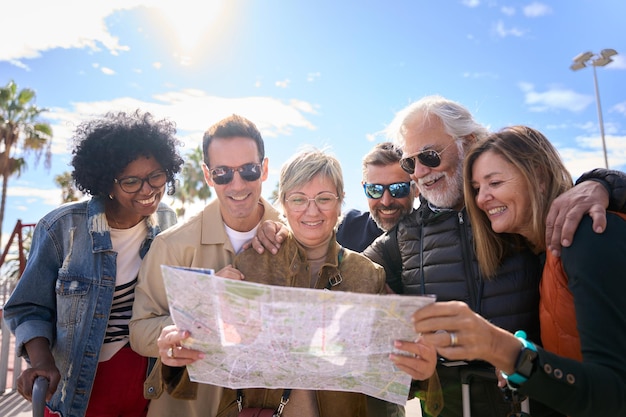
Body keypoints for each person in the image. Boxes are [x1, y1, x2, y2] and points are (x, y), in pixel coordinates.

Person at [154, 147, 434, 417]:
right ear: (284, 204)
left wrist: (420, 372)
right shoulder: (250, 264)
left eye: (324, 199)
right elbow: (206, 361)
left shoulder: (368, 274)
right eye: (299, 199)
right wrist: (179, 348)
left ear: (340, 204)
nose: (312, 212)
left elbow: (387, 375)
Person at [410, 126, 626, 417]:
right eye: (476, 189)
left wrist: (502, 348)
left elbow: (614, 394)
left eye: (495, 183)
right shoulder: (540, 252)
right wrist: (524, 359)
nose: (482, 198)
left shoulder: (586, 235)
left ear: (538, 177)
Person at [2, 110, 184, 417]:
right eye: (130, 181)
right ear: (106, 184)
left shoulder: (167, 222)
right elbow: (28, 308)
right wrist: (42, 363)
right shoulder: (61, 228)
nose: (148, 189)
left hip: (146, 381)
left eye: (156, 175)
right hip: (79, 385)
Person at [129, 114, 282, 417]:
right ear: (208, 175)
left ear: (264, 169)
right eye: (223, 173)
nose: (237, 184)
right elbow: (139, 331)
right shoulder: (171, 246)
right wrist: (201, 311)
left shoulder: (293, 240)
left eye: (248, 170)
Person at [336, 142, 417, 255]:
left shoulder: (434, 234)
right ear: (364, 188)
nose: (386, 201)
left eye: (398, 189)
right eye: (374, 190)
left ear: (417, 188)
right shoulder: (345, 227)